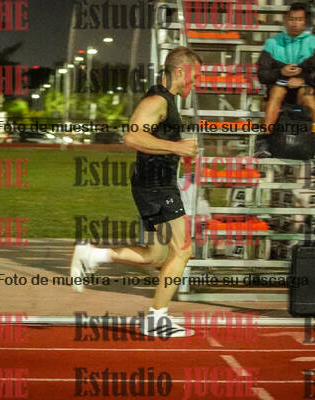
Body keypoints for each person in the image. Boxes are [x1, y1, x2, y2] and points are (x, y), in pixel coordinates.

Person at [69, 46, 201, 337]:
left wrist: (177, 153)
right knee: (183, 250)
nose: (196, 82)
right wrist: (176, 147)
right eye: (195, 76)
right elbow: (132, 136)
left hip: (153, 185)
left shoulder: (168, 101)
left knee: (156, 255)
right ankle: (156, 318)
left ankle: (92, 255)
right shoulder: (157, 100)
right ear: (181, 70)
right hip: (157, 186)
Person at [256, 1, 315, 150]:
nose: (295, 23)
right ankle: (264, 140)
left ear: (304, 22)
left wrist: (302, 79)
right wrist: (281, 72)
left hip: (304, 88)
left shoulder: (314, 43)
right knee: (276, 91)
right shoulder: (272, 43)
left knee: (308, 94)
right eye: (292, 19)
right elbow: (262, 75)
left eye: (299, 19)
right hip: (278, 88)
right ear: (286, 20)